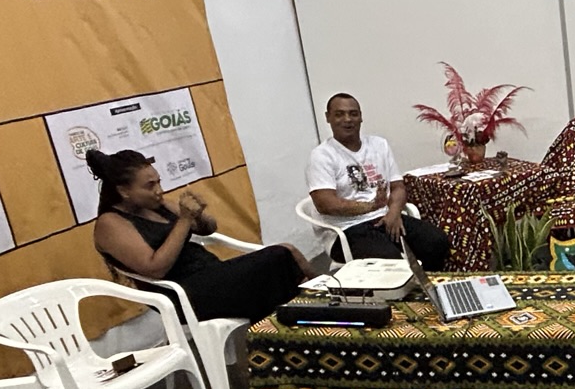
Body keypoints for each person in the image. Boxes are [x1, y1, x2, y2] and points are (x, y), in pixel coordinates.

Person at [89, 148, 311, 322]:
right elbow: (155, 268)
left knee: (284, 257)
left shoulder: (157, 204)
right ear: (124, 191)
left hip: (210, 274)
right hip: (183, 295)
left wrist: (199, 214)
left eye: (159, 182)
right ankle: (302, 319)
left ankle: (312, 312)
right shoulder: (110, 224)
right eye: (149, 186)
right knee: (279, 256)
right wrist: (185, 220)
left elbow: (208, 228)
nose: (159, 190)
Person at [307, 92, 452, 269]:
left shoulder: (379, 145)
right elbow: (326, 205)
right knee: (392, 263)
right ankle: (404, 287)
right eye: (339, 114)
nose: (347, 119)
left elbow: (398, 187)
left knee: (436, 242)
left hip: (385, 218)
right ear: (328, 117)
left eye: (353, 114)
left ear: (361, 117)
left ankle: (427, 284)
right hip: (347, 229)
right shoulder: (322, 155)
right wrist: (370, 206)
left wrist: (394, 212)